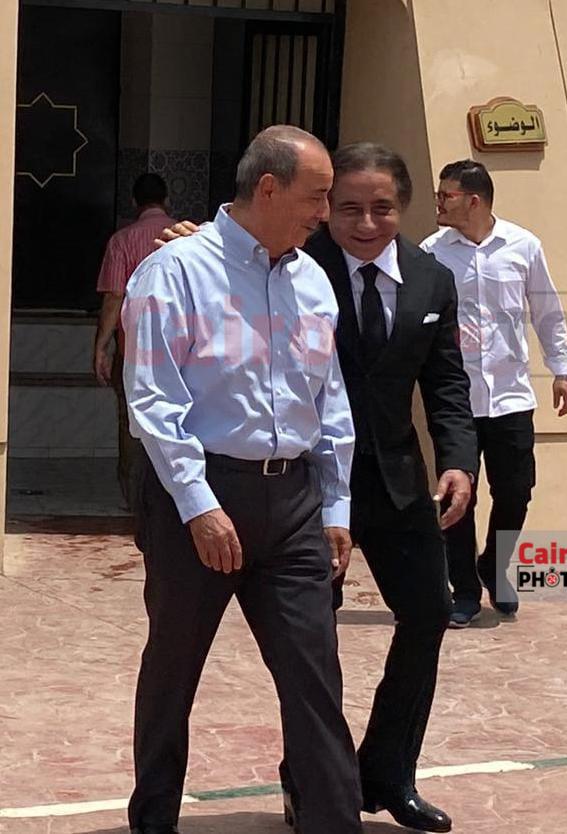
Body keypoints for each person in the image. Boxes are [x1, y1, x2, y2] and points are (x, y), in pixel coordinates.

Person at [162, 143, 478, 834]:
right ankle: (308, 785)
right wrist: (192, 235)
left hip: (395, 483)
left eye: (381, 209)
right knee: (309, 649)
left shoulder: (431, 278)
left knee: (429, 613)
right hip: (305, 485)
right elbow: (235, 253)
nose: (364, 223)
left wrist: (459, 460)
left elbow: (447, 381)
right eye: (347, 208)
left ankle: (388, 774)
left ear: (404, 209)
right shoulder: (297, 260)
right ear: (325, 208)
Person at [122, 126, 362, 834]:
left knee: (315, 678)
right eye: (317, 196)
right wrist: (198, 504)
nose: (326, 213)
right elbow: (153, 399)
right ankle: (154, 819)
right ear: (269, 188)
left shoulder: (312, 280)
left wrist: (336, 505)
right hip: (197, 500)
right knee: (173, 673)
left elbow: (329, 399)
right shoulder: (175, 271)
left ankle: (330, 820)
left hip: (293, 505)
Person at [420, 159, 567, 628]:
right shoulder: (431, 253)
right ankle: (465, 589)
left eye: (446, 195)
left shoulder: (523, 246)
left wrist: (562, 369)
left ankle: (493, 565)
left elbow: (546, 311)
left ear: (474, 201)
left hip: (510, 396)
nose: (438, 203)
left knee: (516, 492)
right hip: (455, 400)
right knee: (457, 497)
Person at [94, 173, 175, 512]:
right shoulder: (187, 236)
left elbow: (115, 296)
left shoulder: (122, 241)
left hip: (133, 352)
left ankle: (134, 499)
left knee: (131, 424)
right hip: (182, 353)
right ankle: (171, 497)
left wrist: (101, 346)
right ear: (166, 200)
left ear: (133, 202)